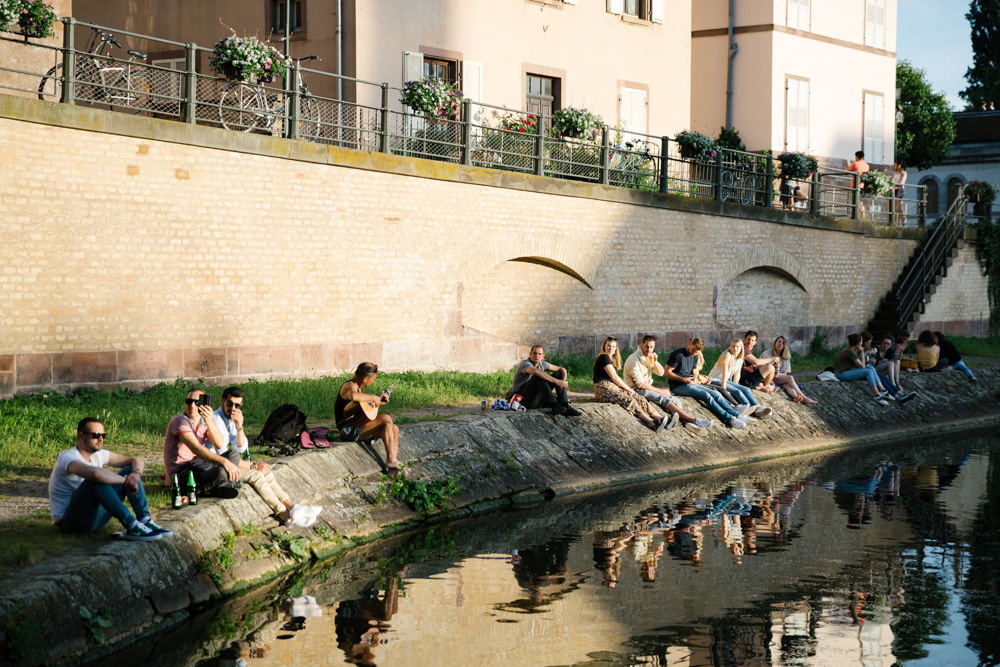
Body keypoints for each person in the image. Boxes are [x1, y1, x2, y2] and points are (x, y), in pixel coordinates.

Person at [165, 388, 320, 524]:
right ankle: (286, 514)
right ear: (222, 401)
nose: (192, 405)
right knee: (223, 470)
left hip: (201, 467)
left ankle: (290, 511)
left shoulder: (204, 422)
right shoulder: (180, 421)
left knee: (253, 472)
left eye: (196, 402)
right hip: (185, 475)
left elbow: (229, 447)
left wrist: (223, 423)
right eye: (189, 401)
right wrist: (230, 463)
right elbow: (198, 450)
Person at [49, 417, 171, 541]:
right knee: (96, 481)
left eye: (103, 435)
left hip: (93, 518)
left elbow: (135, 460)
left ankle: (145, 519)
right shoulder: (67, 457)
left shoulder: (98, 454)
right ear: (81, 436)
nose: (100, 439)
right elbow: (96, 474)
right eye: (96, 435)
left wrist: (136, 473)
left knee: (130, 469)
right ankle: (132, 525)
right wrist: (125, 481)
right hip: (70, 523)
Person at [623, 335, 712, 433]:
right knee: (663, 398)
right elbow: (640, 384)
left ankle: (687, 423)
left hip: (647, 388)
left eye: (651, 347)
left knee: (676, 401)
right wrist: (661, 391)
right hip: (636, 390)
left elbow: (660, 373)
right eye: (647, 346)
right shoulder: (633, 359)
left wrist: (655, 362)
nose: (649, 349)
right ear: (642, 345)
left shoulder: (648, 357)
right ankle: (694, 420)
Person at [664, 337, 750, 429]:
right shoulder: (677, 354)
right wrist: (683, 379)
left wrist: (700, 378)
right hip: (678, 385)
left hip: (690, 383)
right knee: (706, 395)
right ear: (690, 344)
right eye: (693, 350)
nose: (694, 353)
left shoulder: (695, 355)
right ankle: (730, 419)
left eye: (696, 352)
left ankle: (737, 415)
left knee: (716, 393)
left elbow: (695, 372)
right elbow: (666, 372)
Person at [593, 336, 670, 432]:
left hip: (612, 388)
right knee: (628, 399)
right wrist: (629, 390)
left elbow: (660, 372)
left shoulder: (612, 360)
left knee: (639, 398)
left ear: (616, 348)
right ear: (604, 346)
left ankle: (660, 418)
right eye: (609, 346)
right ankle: (651, 422)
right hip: (603, 388)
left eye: (613, 346)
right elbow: (615, 377)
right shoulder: (603, 357)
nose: (611, 348)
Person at [336, 362, 402, 470]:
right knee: (386, 418)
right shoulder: (350, 385)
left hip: (357, 427)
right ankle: (391, 460)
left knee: (394, 429)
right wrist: (373, 397)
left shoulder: (359, 387)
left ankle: (393, 468)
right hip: (347, 431)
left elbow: (361, 411)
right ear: (365, 378)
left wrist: (379, 402)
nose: (372, 382)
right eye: (373, 380)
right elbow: (353, 396)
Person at [834, 334, 915, 405]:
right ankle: (877, 395)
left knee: (871, 368)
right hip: (841, 373)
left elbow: (859, 364)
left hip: (848, 370)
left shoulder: (852, 349)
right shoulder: (850, 351)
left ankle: (885, 391)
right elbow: (862, 366)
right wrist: (863, 353)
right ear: (859, 343)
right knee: (868, 370)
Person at [704, 338, 772, 418]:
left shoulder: (740, 358)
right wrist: (724, 390)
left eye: (737, 347)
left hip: (725, 380)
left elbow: (737, 374)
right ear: (730, 347)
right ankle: (753, 409)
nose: (735, 348)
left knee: (745, 389)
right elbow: (724, 374)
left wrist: (735, 385)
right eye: (733, 346)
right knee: (737, 392)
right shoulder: (727, 355)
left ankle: (758, 407)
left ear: (741, 348)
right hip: (714, 379)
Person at [509, 345, 581, 416]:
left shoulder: (542, 364)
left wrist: (563, 382)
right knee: (538, 375)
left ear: (543, 356)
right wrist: (556, 381)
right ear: (530, 354)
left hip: (536, 399)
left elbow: (562, 369)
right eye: (535, 353)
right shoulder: (525, 364)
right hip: (522, 400)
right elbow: (536, 372)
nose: (537, 356)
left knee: (558, 374)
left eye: (539, 354)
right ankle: (554, 405)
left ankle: (565, 406)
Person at [743, 331, 812, 403]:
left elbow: (754, 366)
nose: (780, 344)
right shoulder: (765, 353)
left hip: (776, 377)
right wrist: (770, 363)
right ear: (775, 343)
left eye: (783, 343)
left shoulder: (786, 357)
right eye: (779, 342)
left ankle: (797, 397)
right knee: (787, 376)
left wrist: (777, 374)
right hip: (761, 377)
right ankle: (765, 386)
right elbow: (757, 363)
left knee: (786, 384)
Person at [211, 386, 250, 459]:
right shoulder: (215, 419)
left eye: (237, 405)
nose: (233, 408)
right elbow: (221, 453)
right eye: (230, 404)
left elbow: (241, 448)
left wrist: (239, 427)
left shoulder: (231, 420)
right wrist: (253, 466)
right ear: (222, 401)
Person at [848, 151, 870, 215]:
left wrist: (847, 167)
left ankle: (858, 216)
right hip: (862, 186)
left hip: (855, 185)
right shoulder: (866, 165)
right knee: (860, 202)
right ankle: (861, 217)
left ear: (857, 156)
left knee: (856, 202)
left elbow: (848, 170)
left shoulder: (855, 164)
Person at [891, 161, 907, 226]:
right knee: (895, 209)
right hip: (893, 191)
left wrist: (893, 185)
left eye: (895, 165)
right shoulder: (893, 174)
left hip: (899, 191)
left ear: (899, 166)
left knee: (899, 208)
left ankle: (903, 223)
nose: (894, 166)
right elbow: (890, 180)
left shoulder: (903, 173)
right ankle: (896, 224)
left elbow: (901, 182)